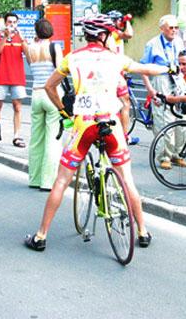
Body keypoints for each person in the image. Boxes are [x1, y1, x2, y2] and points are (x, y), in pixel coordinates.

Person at [24, 14, 171, 252]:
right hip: (110, 122)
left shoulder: (73, 57)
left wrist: (63, 111)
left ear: (87, 35)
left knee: (61, 180)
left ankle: (41, 236)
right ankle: (142, 231)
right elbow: (147, 68)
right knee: (127, 180)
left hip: (83, 124)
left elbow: (50, 86)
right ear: (103, 36)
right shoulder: (115, 58)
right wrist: (171, 68)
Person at [140, 14, 186, 168]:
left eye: (176, 27)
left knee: (182, 118)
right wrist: (150, 90)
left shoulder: (179, 42)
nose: (174, 30)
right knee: (164, 120)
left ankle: (177, 153)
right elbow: (143, 69)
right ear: (162, 29)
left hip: (177, 80)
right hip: (161, 80)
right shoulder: (152, 44)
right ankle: (164, 156)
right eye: (170, 28)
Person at [24, 19, 63, 191]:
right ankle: (48, 181)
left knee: (36, 138)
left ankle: (34, 178)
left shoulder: (30, 49)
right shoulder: (55, 48)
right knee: (53, 138)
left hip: (36, 94)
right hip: (52, 94)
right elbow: (61, 70)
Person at [0, 12, 27, 147]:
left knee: (17, 107)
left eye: (14, 22)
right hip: (2, 76)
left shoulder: (20, 37)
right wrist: (5, 37)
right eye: (9, 22)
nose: (12, 25)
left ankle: (17, 136)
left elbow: (28, 54)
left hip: (17, 77)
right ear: (5, 23)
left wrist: (22, 39)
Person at [105, 10, 136, 144]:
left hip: (111, 72)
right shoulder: (114, 33)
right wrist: (127, 20)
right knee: (125, 104)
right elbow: (129, 34)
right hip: (115, 73)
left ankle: (114, 134)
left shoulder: (106, 34)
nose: (121, 22)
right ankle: (124, 136)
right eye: (119, 20)